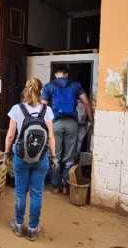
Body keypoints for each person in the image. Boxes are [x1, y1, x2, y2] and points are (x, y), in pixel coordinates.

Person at [5, 77, 56, 241]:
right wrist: (53, 157)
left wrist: (6, 154)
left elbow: (11, 135)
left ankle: (19, 225)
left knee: (20, 190)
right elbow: (51, 138)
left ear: (25, 90)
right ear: (40, 91)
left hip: (21, 157)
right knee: (36, 193)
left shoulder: (17, 109)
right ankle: (33, 229)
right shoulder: (46, 110)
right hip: (41, 158)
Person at [42, 66, 93, 195]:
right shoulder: (75, 85)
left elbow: (43, 107)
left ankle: (55, 186)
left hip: (55, 124)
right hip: (72, 123)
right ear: (66, 75)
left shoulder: (49, 86)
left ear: (55, 74)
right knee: (69, 157)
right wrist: (91, 120)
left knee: (55, 156)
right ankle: (65, 186)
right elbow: (86, 103)